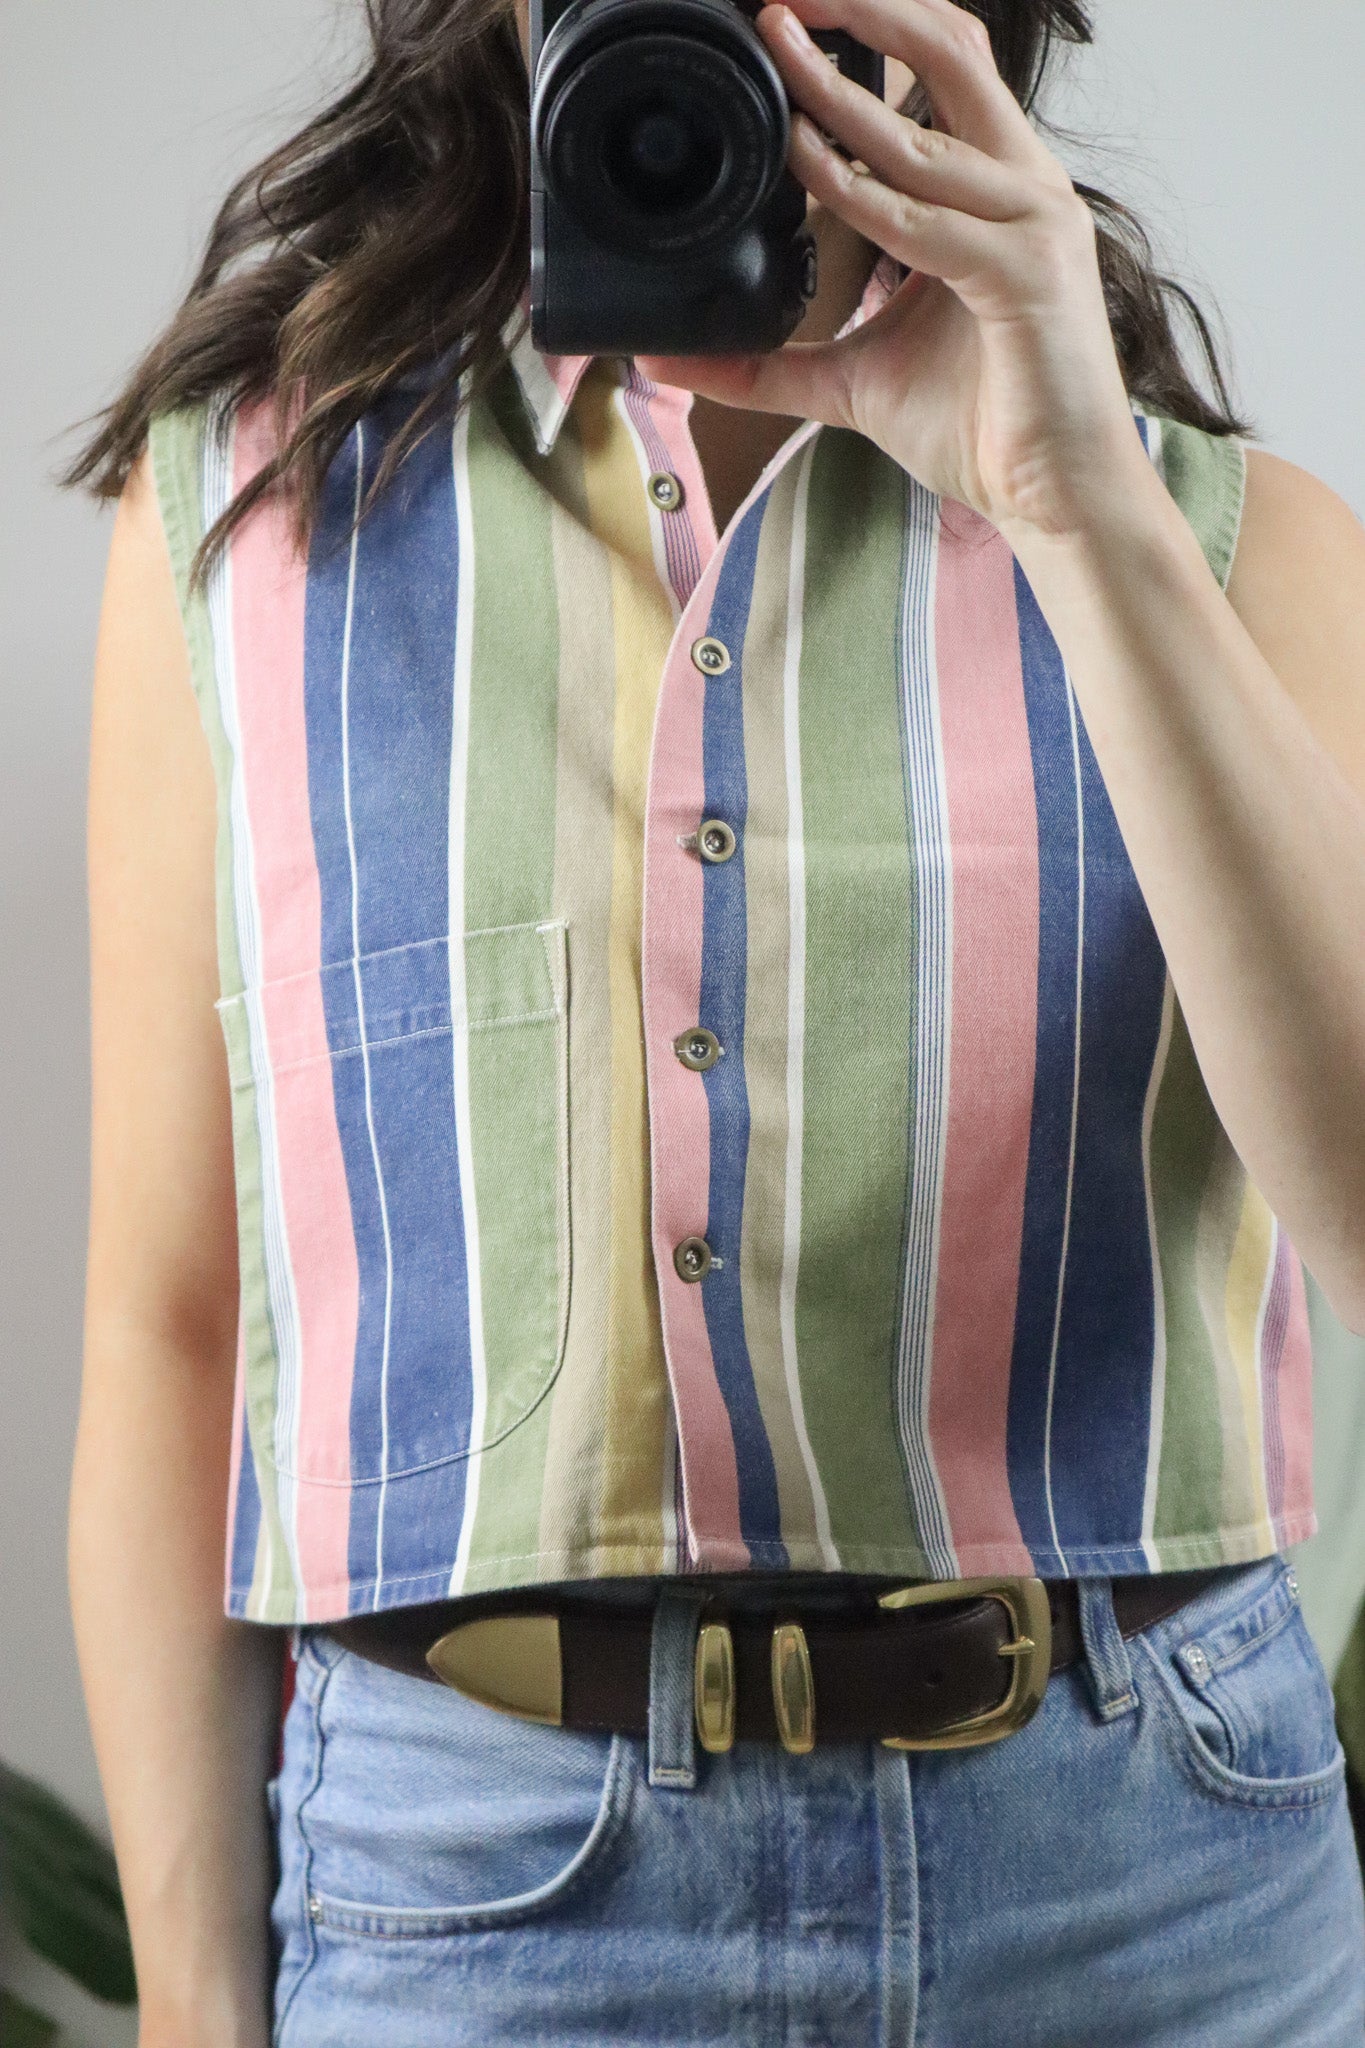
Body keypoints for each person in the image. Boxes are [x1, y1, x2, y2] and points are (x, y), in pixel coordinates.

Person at [66, 0, 1365, 2039]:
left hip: (1146, 1893)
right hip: (470, 1901)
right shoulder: (251, 541)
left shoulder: (1228, 548)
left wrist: (1064, 495)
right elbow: (174, 1331)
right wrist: (193, 2006)